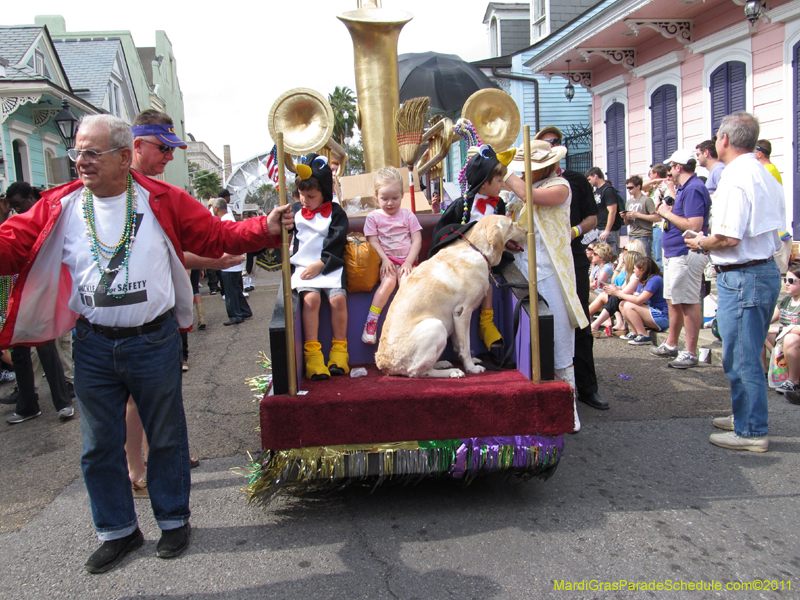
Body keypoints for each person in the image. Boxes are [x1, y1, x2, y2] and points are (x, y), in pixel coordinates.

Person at [0, 114, 294, 572]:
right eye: (78, 151)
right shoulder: (59, 205)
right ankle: (118, 531)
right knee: (98, 446)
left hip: (153, 340)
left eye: (92, 152)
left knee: (166, 436)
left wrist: (264, 226)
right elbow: (12, 245)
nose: (81, 161)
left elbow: (215, 236)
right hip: (93, 344)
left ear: (123, 157)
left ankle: (174, 520)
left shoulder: (161, 198)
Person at [685, 111, 784, 452]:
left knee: (741, 357)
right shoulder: (762, 172)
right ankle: (746, 416)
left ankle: (751, 431)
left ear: (724, 139)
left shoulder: (736, 176)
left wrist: (700, 242)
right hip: (760, 271)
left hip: (744, 275)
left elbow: (728, 238)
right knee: (746, 352)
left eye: (717, 136)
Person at [505, 140, 590, 431]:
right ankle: (535, 406)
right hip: (521, 270)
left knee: (559, 339)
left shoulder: (561, 186)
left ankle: (568, 408)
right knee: (527, 340)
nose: (523, 174)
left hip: (551, 273)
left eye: (527, 169)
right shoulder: (520, 190)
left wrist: (504, 171)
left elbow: (530, 195)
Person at [533, 126, 607, 411]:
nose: (550, 147)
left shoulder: (573, 180)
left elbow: (593, 218)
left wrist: (574, 231)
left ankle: (587, 388)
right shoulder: (530, 182)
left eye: (554, 143)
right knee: (545, 323)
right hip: (541, 261)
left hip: (571, 257)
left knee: (579, 320)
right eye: (545, 144)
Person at [0, 182, 73, 425]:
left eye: (19, 204)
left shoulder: (49, 216)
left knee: (46, 346)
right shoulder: (20, 221)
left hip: (43, 292)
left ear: (31, 198)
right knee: (21, 350)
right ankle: (28, 404)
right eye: (13, 206)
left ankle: (62, 402)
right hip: (22, 294)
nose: (17, 209)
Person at [434, 143, 515, 350]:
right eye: (499, 180)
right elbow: (444, 231)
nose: (502, 185)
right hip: (464, 258)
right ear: (485, 181)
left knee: (486, 275)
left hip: (488, 258)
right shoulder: (463, 204)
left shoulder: (499, 204)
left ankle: (486, 322)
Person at [289, 153, 349, 380]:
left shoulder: (336, 212)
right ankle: (313, 356)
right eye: (301, 195)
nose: (305, 200)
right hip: (304, 265)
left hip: (330, 264)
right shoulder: (294, 212)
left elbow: (337, 239)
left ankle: (339, 352)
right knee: (311, 300)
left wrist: (322, 263)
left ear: (324, 192)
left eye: (311, 196)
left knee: (338, 300)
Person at [650, 149, 711, 369]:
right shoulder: (686, 188)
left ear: (678, 167)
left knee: (688, 301)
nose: (669, 172)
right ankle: (672, 344)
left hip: (686, 253)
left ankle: (691, 352)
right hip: (675, 252)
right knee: (673, 300)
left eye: (671, 167)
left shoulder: (694, 188)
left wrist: (666, 213)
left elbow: (694, 225)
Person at [361, 167, 422, 344]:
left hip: (407, 262)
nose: (390, 203)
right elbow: (373, 241)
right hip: (386, 262)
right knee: (388, 283)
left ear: (402, 195)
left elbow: (416, 240)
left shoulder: (408, 215)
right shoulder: (373, 217)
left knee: (407, 284)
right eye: (385, 198)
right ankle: (371, 321)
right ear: (376, 196)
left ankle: (408, 324)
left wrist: (409, 262)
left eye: (394, 198)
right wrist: (385, 259)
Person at [605, 257, 669, 345]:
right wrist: (617, 292)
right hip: (652, 312)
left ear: (642, 270)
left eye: (635, 268)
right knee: (622, 304)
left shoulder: (655, 279)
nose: (634, 271)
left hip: (662, 316)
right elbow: (636, 296)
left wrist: (618, 293)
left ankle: (644, 335)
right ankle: (635, 332)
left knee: (629, 306)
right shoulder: (643, 279)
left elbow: (639, 300)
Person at [212, 198, 252, 325]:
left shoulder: (225, 221)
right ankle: (244, 310)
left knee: (231, 291)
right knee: (235, 289)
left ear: (216, 208)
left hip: (229, 261)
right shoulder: (230, 219)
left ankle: (236, 315)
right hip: (233, 261)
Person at [765, 263, 800, 395]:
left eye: (791, 281)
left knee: (790, 338)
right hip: (783, 340)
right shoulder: (787, 300)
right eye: (785, 280)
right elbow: (767, 320)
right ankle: (763, 373)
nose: (787, 284)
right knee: (757, 331)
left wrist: (778, 330)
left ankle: (794, 381)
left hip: (794, 341)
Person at [585, 167, 623, 255]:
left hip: (609, 230)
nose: (589, 182)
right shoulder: (597, 191)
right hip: (598, 228)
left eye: (589, 179)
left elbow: (612, 211)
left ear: (595, 176)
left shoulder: (608, 190)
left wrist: (607, 230)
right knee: (600, 255)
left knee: (610, 255)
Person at [622, 175, 656, 257]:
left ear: (638, 187)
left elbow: (656, 217)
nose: (629, 190)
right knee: (632, 259)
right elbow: (627, 223)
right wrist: (625, 217)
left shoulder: (646, 200)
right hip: (632, 234)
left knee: (644, 259)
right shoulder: (629, 202)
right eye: (627, 188)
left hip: (644, 235)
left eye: (631, 188)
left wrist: (638, 215)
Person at [643, 165, 668, 269]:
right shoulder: (653, 186)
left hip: (659, 224)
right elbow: (640, 186)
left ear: (656, 174)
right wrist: (654, 182)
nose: (649, 176)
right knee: (653, 255)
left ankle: (661, 276)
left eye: (651, 173)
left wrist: (659, 181)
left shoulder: (664, 185)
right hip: (652, 225)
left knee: (658, 256)